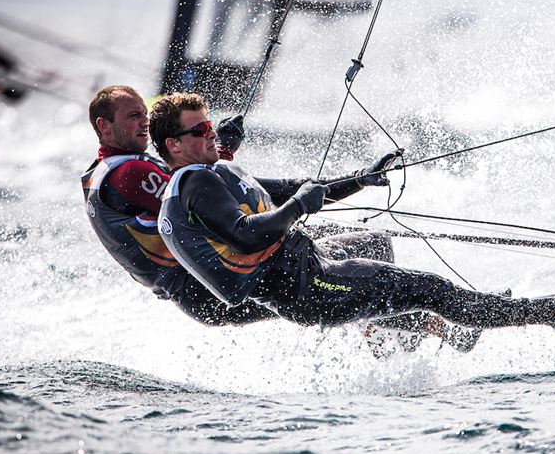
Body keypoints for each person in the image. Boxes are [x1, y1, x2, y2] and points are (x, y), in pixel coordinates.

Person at [151, 92, 555, 332]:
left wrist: (359, 178)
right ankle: (552, 314)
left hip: (309, 270)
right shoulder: (195, 182)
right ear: (173, 145)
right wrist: (297, 208)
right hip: (307, 287)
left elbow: (295, 188)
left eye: (211, 125)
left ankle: (417, 330)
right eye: (200, 130)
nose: (212, 135)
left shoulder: (212, 174)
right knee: (431, 290)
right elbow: (248, 234)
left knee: (405, 272)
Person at [82, 86, 479, 351]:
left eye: (144, 114)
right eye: (134, 116)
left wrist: (358, 180)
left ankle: (390, 332)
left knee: (367, 242)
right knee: (341, 266)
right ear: (105, 126)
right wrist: (216, 150)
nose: (144, 123)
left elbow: (262, 188)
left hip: (224, 272)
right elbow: (199, 196)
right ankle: (425, 328)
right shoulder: (129, 174)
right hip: (216, 285)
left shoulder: (110, 172)